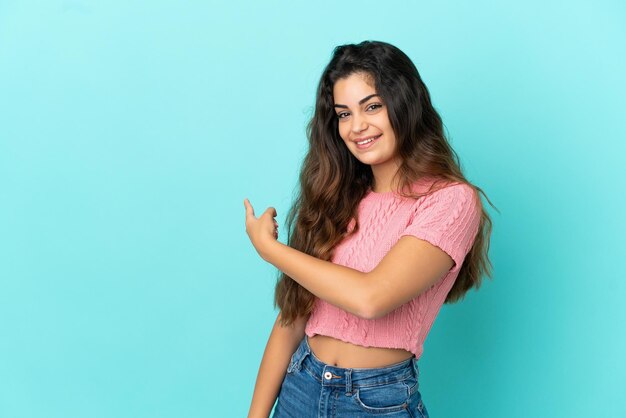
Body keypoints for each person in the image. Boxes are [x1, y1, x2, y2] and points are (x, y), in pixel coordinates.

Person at [243, 40, 495, 418]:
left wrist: (271, 250)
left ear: (404, 105)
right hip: (300, 386)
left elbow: (371, 298)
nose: (357, 126)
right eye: (343, 114)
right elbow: (292, 317)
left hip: (376, 401)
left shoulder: (451, 201)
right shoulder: (337, 196)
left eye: (372, 106)